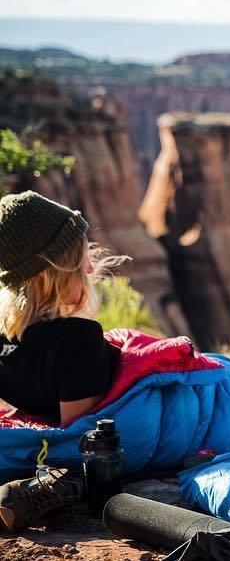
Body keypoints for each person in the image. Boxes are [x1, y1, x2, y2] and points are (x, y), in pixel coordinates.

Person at [0, 190, 126, 531]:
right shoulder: (78, 340)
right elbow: (83, 438)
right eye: (79, 262)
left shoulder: (5, 343)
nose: (89, 268)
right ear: (48, 275)